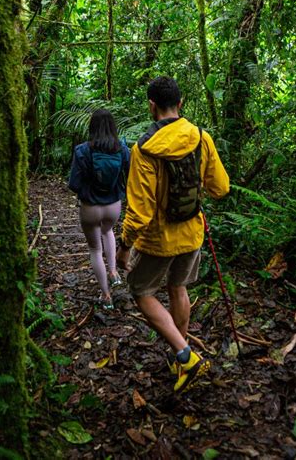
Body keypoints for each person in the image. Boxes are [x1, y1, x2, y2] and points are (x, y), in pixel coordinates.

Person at [116, 76, 229, 393]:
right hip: (192, 233)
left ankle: (185, 357)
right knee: (178, 287)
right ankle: (179, 357)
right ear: (180, 104)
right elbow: (221, 187)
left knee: (141, 291)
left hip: (158, 240)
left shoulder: (144, 149)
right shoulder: (201, 138)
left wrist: (124, 247)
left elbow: (140, 211)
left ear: (152, 106)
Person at [69, 109, 130, 310]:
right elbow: (130, 172)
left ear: (92, 127)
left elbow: (74, 184)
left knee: (95, 249)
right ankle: (113, 272)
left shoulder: (82, 150)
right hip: (113, 205)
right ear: (113, 126)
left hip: (90, 207)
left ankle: (105, 296)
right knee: (108, 231)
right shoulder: (121, 148)